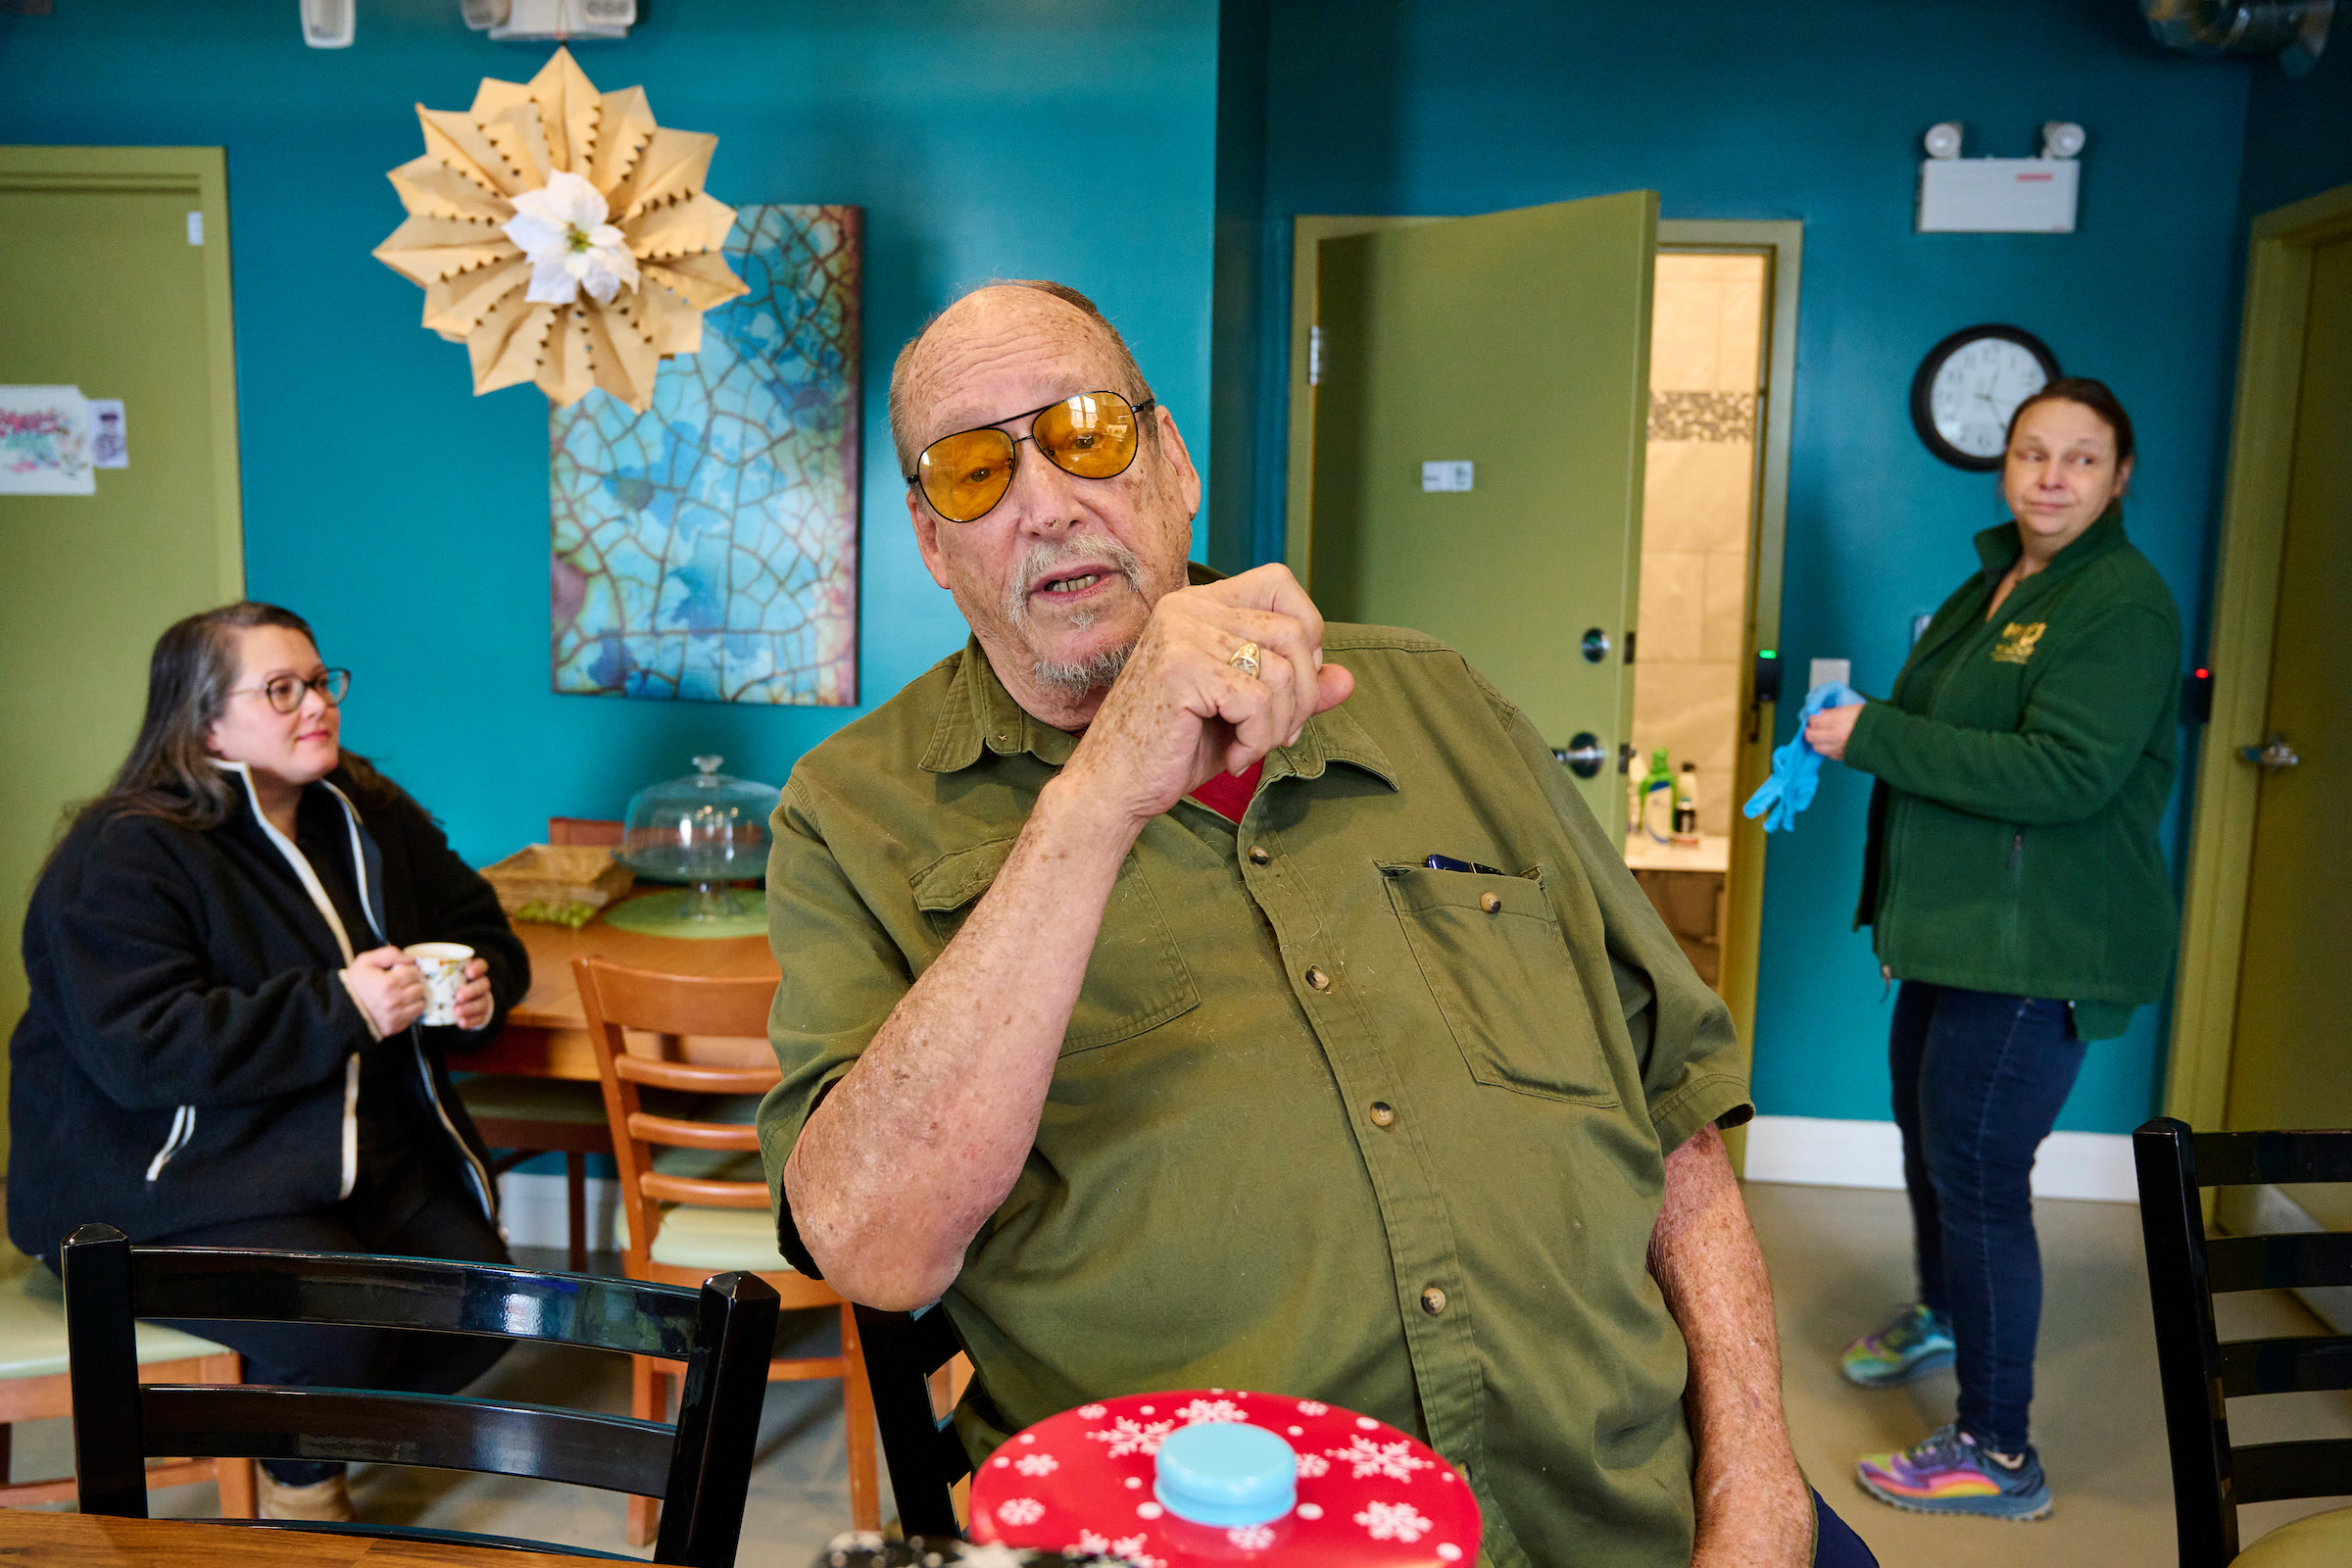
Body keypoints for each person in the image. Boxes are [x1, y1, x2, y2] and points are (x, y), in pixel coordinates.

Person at [760, 281, 1877, 1568]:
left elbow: (1671, 1110)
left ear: (1171, 460)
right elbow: (874, 1250)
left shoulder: (1438, 700)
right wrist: (1093, 803)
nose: (1046, 503)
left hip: (1624, 1512)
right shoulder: (854, 815)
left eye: (1085, 433)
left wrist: (1755, 1479)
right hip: (1219, 1540)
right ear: (928, 540)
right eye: (971, 472)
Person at [7, 601, 529, 1523]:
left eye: (322, 683)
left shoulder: (363, 809)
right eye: (281, 689)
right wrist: (344, 1005)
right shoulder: (124, 853)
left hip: (342, 1163)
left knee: (489, 1304)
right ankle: (299, 1488)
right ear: (205, 721)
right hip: (165, 1185)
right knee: (336, 1329)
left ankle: (280, 1416)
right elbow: (144, 1049)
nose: (316, 705)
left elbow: (477, 925)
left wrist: (483, 990)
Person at [1803, 379, 2180, 1520]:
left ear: (2119, 478)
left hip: (2034, 949)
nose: (2051, 477)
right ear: (2005, 466)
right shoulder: (2002, 581)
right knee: (1931, 1143)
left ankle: (1999, 1451)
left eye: (2080, 459)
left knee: (1978, 1180)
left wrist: (1873, 731)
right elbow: (1950, 754)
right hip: (1958, 937)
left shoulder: (2122, 603)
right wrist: (1900, 916)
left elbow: (2066, 774)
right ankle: (1947, 1312)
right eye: (2032, 454)